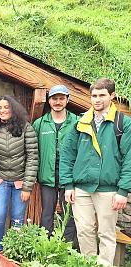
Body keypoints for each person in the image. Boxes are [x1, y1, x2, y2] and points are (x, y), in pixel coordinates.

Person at [60, 78, 131, 266]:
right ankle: (89, 264)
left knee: (106, 233)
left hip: (108, 190)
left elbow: (129, 159)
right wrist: (68, 185)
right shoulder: (81, 122)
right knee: (84, 231)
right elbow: (67, 154)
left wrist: (123, 191)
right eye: (94, 96)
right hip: (81, 189)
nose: (97, 99)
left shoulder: (123, 123)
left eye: (102, 95)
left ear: (112, 96)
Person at [0, 95, 38, 263]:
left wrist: (27, 186)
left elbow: (32, 157)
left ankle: (14, 250)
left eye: (6, 107)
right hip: (1, 181)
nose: (2, 111)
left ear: (13, 109)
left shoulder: (25, 128)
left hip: (20, 182)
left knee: (17, 217)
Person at [33, 85, 78, 243]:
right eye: (54, 98)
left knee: (69, 214)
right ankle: (46, 245)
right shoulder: (40, 124)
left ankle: (66, 247)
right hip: (47, 176)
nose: (58, 102)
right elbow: (33, 151)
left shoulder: (77, 122)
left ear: (67, 99)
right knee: (47, 213)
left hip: (69, 177)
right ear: (49, 100)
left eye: (61, 98)